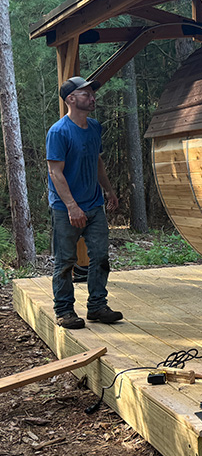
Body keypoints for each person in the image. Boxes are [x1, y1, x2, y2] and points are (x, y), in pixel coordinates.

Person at [47, 76, 123, 329]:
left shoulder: (94, 127)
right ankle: (64, 310)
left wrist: (109, 191)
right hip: (65, 209)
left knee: (100, 256)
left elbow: (97, 161)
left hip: (94, 205)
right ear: (71, 99)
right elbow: (55, 173)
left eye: (92, 93)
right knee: (65, 261)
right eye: (86, 94)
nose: (92, 97)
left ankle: (97, 306)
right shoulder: (58, 132)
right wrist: (71, 206)